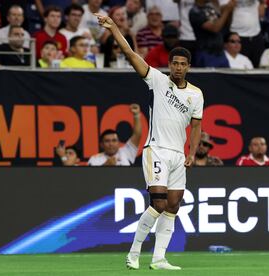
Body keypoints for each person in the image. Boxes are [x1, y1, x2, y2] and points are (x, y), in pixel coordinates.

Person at [96, 13, 203, 270]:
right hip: (156, 150)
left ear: (188, 66)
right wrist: (113, 28)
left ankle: (159, 259)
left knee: (173, 206)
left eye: (182, 64)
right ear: (169, 64)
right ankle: (133, 253)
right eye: (174, 63)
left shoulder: (196, 94)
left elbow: (197, 126)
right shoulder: (157, 79)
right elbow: (132, 55)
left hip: (179, 155)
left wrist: (192, 152)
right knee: (158, 203)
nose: (178, 67)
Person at [189, 0, 235, 67]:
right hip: (206, 53)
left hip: (220, 52)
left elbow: (223, 23)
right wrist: (227, 11)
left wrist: (230, 10)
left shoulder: (210, 8)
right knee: (209, 77)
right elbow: (215, 28)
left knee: (226, 77)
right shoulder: (195, 12)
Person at [226, 0, 266, 67]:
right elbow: (226, 12)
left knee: (257, 67)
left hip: (255, 34)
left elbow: (261, 14)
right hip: (237, 35)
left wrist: (262, 2)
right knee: (238, 66)